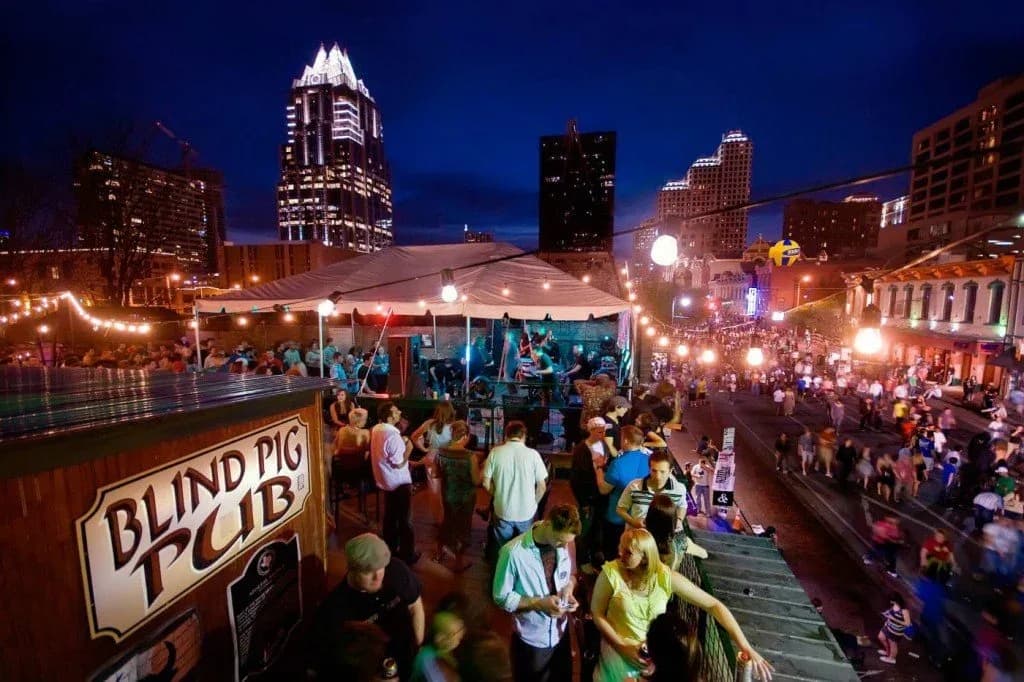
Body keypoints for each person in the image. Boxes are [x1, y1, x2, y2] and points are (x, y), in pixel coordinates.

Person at [590, 528, 772, 681]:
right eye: (621, 547)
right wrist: (622, 646)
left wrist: (745, 646)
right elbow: (596, 613)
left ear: (645, 557)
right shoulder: (611, 574)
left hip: (654, 653)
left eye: (628, 552)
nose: (620, 554)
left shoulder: (664, 577)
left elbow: (713, 605)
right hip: (617, 645)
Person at [312, 533, 425, 680]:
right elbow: (331, 667)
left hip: (405, 657)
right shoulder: (335, 609)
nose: (378, 576)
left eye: (381, 566)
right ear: (351, 568)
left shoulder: (397, 570)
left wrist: (417, 647)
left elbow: (415, 606)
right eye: (368, 570)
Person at [492, 505, 581, 682]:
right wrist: (539, 603)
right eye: (560, 541)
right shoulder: (512, 553)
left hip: (561, 635)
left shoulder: (566, 543)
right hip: (532, 641)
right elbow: (501, 597)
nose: (565, 546)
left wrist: (569, 589)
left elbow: (571, 575)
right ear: (547, 524)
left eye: (568, 542)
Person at [482, 421, 549, 561]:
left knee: (504, 547)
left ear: (506, 435)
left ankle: (504, 567)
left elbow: (485, 483)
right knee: (523, 547)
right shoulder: (533, 454)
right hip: (526, 512)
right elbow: (542, 486)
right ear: (524, 436)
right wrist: (533, 503)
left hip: (502, 510)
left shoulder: (495, 452)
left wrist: (498, 495)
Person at [371, 401, 420, 565]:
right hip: (399, 482)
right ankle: (408, 554)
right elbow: (399, 462)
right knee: (405, 519)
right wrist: (410, 448)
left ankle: (390, 548)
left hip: (385, 480)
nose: (399, 412)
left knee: (390, 517)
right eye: (396, 411)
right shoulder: (392, 436)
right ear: (391, 415)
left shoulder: (377, 429)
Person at [597, 426, 651, 560]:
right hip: (640, 517)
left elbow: (604, 489)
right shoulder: (649, 461)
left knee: (613, 552)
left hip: (617, 518)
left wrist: (598, 469)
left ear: (626, 441)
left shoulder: (618, 464)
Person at [435, 421, 482, 573]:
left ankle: (439, 552)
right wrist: (484, 468)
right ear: (465, 436)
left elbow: (437, 473)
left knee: (447, 522)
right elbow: (476, 481)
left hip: (447, 493)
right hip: (465, 497)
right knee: (463, 527)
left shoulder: (441, 452)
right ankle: (458, 562)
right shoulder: (469, 456)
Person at [570, 417, 612, 570]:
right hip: (588, 497)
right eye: (600, 431)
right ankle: (582, 561)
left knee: (596, 528)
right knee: (585, 530)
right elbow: (576, 480)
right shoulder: (582, 450)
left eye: (604, 431)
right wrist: (584, 502)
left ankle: (594, 557)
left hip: (600, 496)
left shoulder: (603, 445)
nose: (603, 433)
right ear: (591, 431)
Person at [411, 402, 457, 524]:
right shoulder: (455, 426)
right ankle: (450, 519)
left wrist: (424, 449)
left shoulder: (429, 424)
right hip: (449, 458)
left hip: (432, 457)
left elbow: (414, 436)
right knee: (449, 490)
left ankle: (439, 520)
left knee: (434, 491)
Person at [616, 450, 686, 529]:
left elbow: (682, 505)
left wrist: (679, 520)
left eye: (662, 472)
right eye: (654, 471)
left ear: (670, 471)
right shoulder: (634, 486)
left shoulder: (679, 489)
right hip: (639, 537)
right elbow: (620, 509)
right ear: (649, 469)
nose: (658, 476)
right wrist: (633, 522)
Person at [411, 608, 467, 682]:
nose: (458, 636)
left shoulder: (443, 652)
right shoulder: (427, 657)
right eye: (453, 633)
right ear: (440, 638)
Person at [877, 593, 911, 664]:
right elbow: (891, 611)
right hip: (888, 626)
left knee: (893, 644)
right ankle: (887, 652)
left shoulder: (904, 610)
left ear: (896, 601)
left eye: (891, 601)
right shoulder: (895, 605)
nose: (890, 602)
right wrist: (887, 613)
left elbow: (907, 624)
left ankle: (891, 658)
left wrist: (893, 619)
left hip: (895, 631)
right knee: (881, 637)